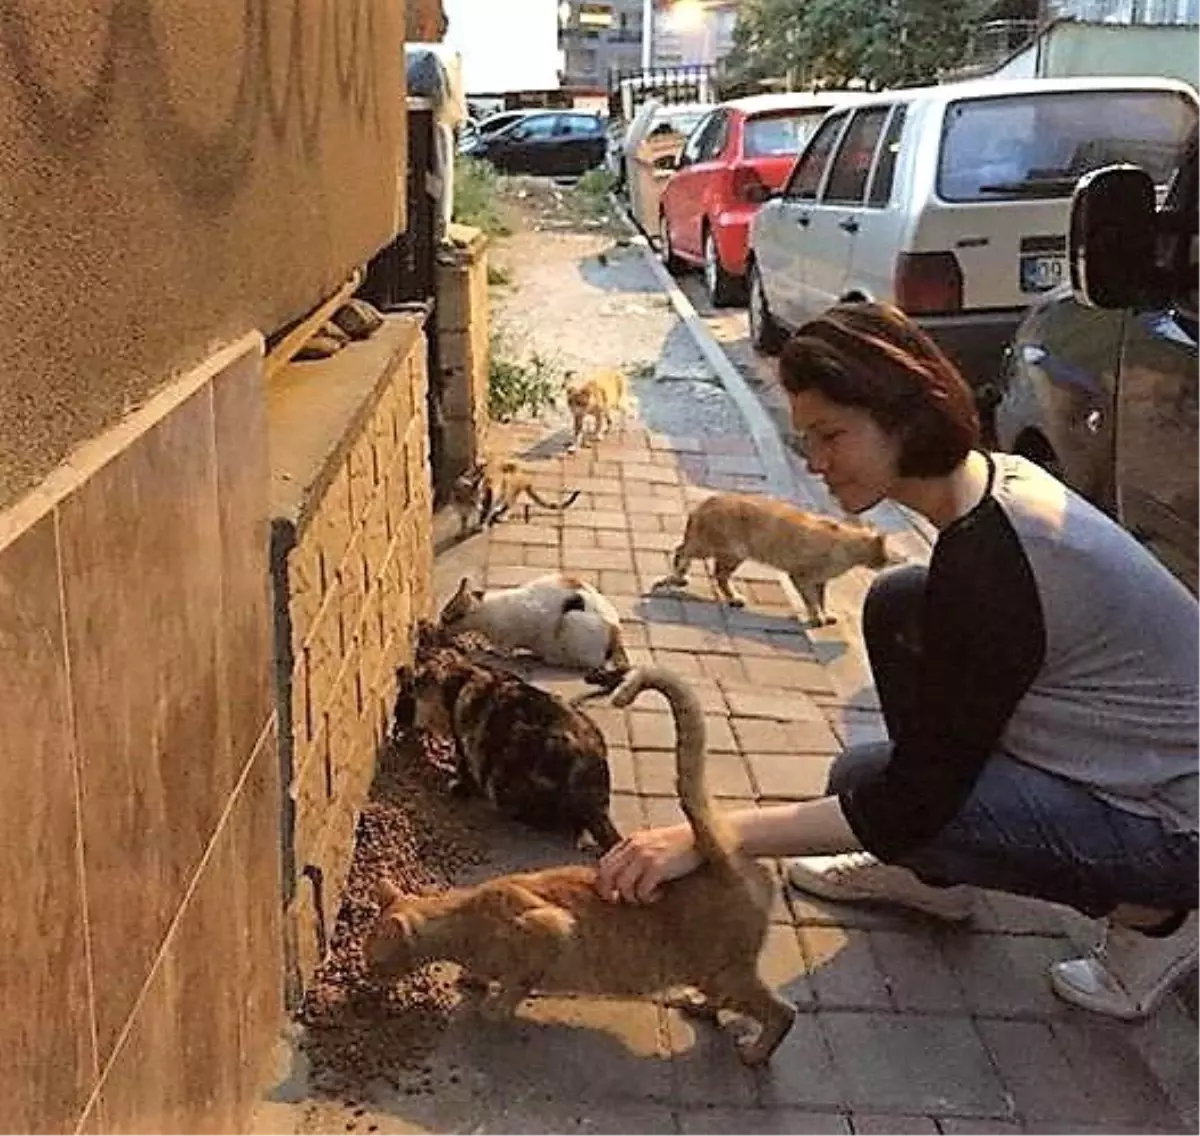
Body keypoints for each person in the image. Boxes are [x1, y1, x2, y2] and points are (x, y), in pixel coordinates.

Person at [596, 301, 1200, 1021]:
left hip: (1175, 823)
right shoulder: (988, 489)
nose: (815, 463)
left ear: (906, 419)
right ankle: (934, 878)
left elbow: (915, 798)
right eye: (805, 440)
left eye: (831, 436)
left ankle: (1158, 922)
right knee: (897, 602)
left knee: (885, 795)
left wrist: (709, 834)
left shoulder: (992, 560)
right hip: (1119, 759)